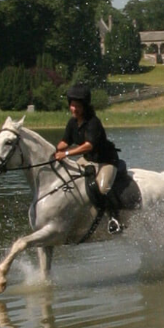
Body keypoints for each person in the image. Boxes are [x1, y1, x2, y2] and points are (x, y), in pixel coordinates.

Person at [55, 84, 122, 233]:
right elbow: (65, 142)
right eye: (72, 106)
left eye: (77, 106)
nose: (74, 109)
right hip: (88, 160)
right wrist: (53, 150)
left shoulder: (93, 122)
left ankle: (114, 219)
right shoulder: (72, 123)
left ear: (84, 106)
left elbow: (88, 146)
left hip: (106, 161)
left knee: (103, 188)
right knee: (70, 179)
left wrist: (65, 154)